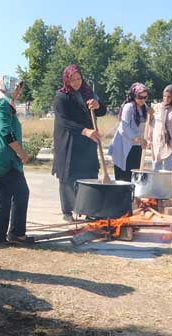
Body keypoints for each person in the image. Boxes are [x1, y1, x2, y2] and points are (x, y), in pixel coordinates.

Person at [52, 64, 107, 222]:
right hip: (68, 141)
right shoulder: (61, 97)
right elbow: (64, 121)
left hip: (87, 141)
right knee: (69, 176)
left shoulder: (88, 93)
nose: (76, 82)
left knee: (88, 172)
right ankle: (68, 211)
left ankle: (89, 209)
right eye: (73, 79)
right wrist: (85, 131)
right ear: (67, 80)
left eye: (79, 79)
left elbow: (102, 111)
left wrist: (98, 105)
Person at [0, 76, 32, 244]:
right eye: (16, 89)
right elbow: (6, 132)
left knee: (3, 199)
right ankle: (17, 234)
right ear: (7, 88)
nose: (18, 93)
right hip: (5, 159)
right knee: (21, 193)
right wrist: (22, 153)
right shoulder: (2, 105)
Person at [108, 83, 152, 181]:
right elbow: (125, 126)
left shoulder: (144, 106)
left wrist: (151, 115)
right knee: (124, 176)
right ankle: (122, 196)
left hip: (137, 145)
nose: (143, 100)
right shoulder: (128, 107)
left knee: (134, 174)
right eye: (140, 97)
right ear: (134, 95)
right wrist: (137, 138)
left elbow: (147, 123)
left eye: (145, 97)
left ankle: (132, 195)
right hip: (123, 145)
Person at [147, 84, 172, 172]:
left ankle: (167, 185)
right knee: (156, 167)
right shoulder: (156, 107)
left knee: (168, 169)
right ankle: (156, 185)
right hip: (157, 140)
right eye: (164, 96)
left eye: (169, 97)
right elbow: (151, 124)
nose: (166, 99)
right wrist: (149, 140)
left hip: (170, 142)